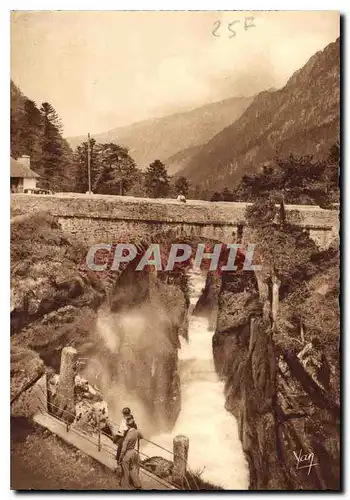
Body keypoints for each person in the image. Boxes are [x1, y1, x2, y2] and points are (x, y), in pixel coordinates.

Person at [118, 416, 142, 490]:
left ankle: (126, 487)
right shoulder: (137, 431)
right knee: (131, 468)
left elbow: (123, 449)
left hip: (127, 454)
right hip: (133, 453)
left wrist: (120, 458)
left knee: (126, 472)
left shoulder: (128, 436)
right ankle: (138, 484)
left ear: (128, 426)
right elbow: (141, 437)